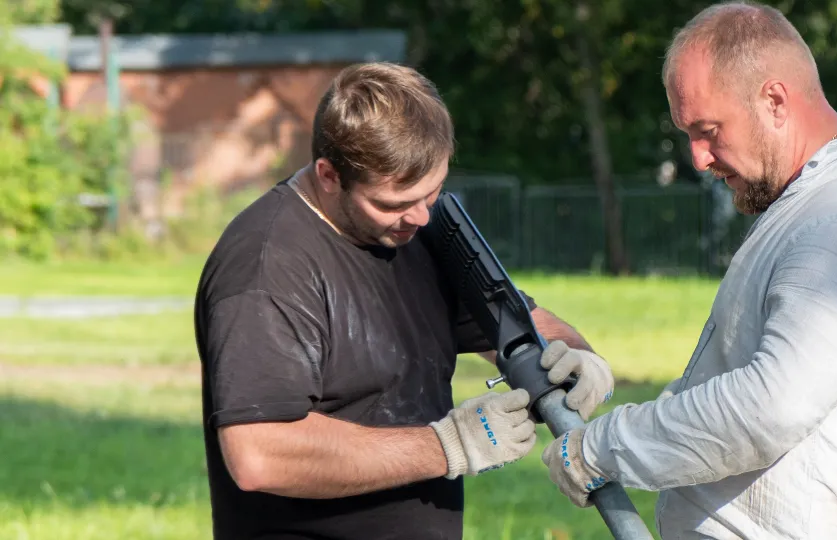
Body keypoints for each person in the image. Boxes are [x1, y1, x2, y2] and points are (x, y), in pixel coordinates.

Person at [540, 2, 837, 539]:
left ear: (775, 100)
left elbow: (768, 407)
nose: (698, 158)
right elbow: (736, 379)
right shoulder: (819, 204)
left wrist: (601, 447)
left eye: (708, 130)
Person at [192, 61, 615, 540]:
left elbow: (517, 323)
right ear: (329, 175)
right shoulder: (267, 267)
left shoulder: (419, 232)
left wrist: (579, 359)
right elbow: (259, 453)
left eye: (431, 193)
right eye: (392, 203)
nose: (417, 217)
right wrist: (448, 444)